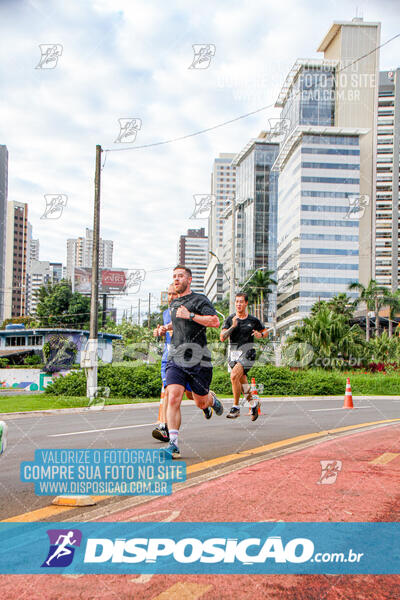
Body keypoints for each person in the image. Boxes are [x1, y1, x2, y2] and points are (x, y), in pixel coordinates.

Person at [160, 265, 224, 458]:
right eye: (174, 276)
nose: (176, 279)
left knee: (200, 402)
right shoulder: (173, 304)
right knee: (172, 397)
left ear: (189, 280)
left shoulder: (199, 300)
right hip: (176, 358)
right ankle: (173, 445)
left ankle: (210, 400)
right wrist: (166, 328)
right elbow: (179, 323)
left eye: (180, 276)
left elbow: (214, 321)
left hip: (198, 359)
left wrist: (191, 315)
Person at [152, 284, 193, 442]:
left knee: (192, 395)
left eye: (174, 294)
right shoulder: (165, 313)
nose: (171, 297)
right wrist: (159, 332)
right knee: (167, 390)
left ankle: (208, 399)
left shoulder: (185, 313)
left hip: (185, 355)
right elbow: (167, 334)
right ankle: (165, 427)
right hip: (168, 356)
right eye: (169, 294)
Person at [220, 292, 268, 421]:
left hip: (248, 353)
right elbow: (222, 337)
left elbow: (265, 332)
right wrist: (233, 326)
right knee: (243, 384)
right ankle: (253, 405)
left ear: (246, 303)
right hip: (234, 354)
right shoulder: (230, 319)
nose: (238, 304)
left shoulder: (253, 320)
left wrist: (260, 335)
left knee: (234, 375)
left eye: (241, 301)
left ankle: (235, 407)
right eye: (236, 301)